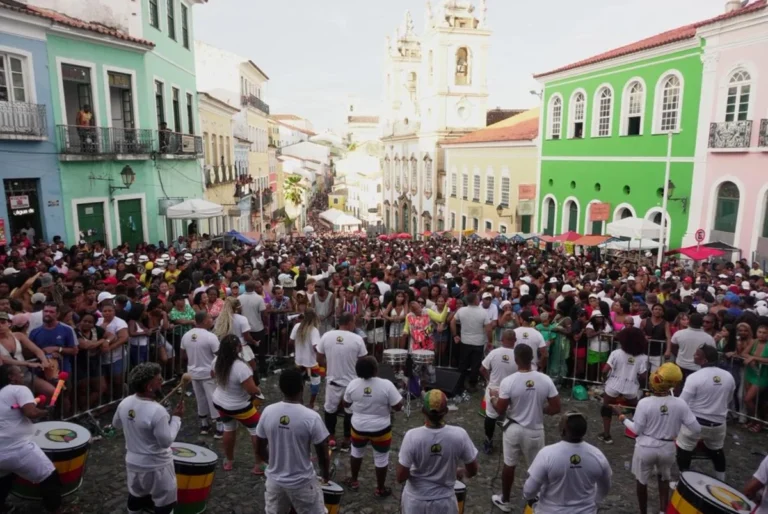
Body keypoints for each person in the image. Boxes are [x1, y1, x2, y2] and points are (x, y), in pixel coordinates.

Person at [617, 363, 701, 514]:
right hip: (668, 448)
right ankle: (663, 511)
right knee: (664, 478)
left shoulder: (644, 403)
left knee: (641, 481)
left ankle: (644, 512)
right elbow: (696, 428)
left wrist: (623, 418)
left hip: (645, 447)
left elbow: (636, 430)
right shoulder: (680, 404)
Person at [490, 343, 561, 512]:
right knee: (538, 468)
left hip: (513, 427)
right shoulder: (545, 379)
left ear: (516, 360)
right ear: (532, 359)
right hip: (535, 429)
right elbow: (556, 408)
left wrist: (493, 398)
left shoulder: (509, 381)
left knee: (509, 464)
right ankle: (538, 500)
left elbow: (500, 409)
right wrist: (540, 409)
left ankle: (505, 500)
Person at [255, 368, 330, 514]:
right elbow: (323, 453)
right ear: (302, 387)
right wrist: (325, 474)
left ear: (281, 388)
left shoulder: (268, 411)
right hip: (302, 483)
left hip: (275, 482)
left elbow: (259, 448)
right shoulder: (311, 417)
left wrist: (276, 463)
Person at [113, 363, 183, 514]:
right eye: (159, 380)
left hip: (133, 463)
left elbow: (116, 424)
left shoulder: (125, 402)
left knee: (136, 497)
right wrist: (176, 419)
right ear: (149, 387)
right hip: (157, 466)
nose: (162, 381)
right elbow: (166, 442)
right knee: (165, 503)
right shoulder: (158, 411)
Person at [396, 389, 479, 514]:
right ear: (446, 411)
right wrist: (459, 471)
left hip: (415, 502)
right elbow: (472, 470)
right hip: (445, 503)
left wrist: (419, 471)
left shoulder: (412, 436)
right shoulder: (459, 435)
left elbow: (400, 477)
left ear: (423, 411)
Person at [0, 365, 63, 514]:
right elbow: (31, 412)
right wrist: (45, 411)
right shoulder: (19, 389)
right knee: (50, 476)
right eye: (19, 373)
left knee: (4, 478)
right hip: (17, 448)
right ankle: (54, 509)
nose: (22, 375)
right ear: (11, 377)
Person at [523, 412, 612, 514]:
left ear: (563, 431)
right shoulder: (597, 455)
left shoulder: (547, 454)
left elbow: (529, 491)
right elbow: (605, 487)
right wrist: (594, 502)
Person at [342, 356, 402, 497]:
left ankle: (354, 481)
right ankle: (380, 489)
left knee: (356, 453)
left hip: (358, 427)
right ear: (375, 370)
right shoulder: (386, 385)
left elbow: (345, 403)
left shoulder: (353, 384)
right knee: (381, 458)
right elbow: (398, 406)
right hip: (381, 429)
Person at [676, 345, 736, 481]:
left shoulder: (694, 377)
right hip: (719, 423)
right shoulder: (728, 376)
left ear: (704, 360)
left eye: (696, 355)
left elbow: (682, 402)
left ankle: (683, 481)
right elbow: (729, 399)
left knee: (684, 449)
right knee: (717, 451)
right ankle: (721, 480)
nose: (693, 356)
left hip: (695, 422)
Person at [211, 335, 264, 474]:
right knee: (256, 431)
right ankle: (259, 464)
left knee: (228, 428)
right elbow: (251, 390)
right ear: (237, 348)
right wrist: (259, 391)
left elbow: (212, 375)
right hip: (239, 406)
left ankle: (229, 461)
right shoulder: (240, 367)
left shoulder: (216, 360)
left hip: (220, 402)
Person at [316, 312, 367, 451]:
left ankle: (331, 438)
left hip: (333, 381)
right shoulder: (357, 339)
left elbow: (319, 358)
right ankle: (347, 439)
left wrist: (328, 367)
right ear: (350, 322)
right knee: (349, 412)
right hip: (352, 382)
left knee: (330, 410)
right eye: (354, 322)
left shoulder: (326, 336)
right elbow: (363, 361)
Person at [598, 328, 649, 444]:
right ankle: (637, 431)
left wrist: (603, 379)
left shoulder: (615, 353)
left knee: (606, 408)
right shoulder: (642, 357)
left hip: (613, 386)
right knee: (636, 410)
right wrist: (640, 387)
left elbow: (605, 370)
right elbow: (643, 376)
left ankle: (606, 435)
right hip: (631, 387)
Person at [180, 311, 220, 437]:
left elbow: (183, 354)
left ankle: (204, 425)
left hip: (193, 373)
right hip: (209, 373)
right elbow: (218, 355)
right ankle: (219, 427)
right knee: (213, 398)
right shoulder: (210, 336)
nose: (212, 320)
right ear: (204, 321)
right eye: (210, 318)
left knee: (200, 398)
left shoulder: (186, 335)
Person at [479, 328, 518, 455]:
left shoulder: (494, 353)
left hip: (494, 389)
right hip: (512, 389)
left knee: (490, 416)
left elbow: (482, 369)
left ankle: (489, 441)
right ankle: (512, 441)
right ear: (515, 341)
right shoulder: (518, 355)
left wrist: (489, 379)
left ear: (502, 340)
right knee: (513, 416)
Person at [451, 293, 490, 393]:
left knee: (463, 364)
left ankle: (459, 384)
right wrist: (490, 340)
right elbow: (488, 329)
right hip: (478, 342)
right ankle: (472, 385)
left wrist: (455, 335)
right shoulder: (483, 313)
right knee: (475, 365)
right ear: (476, 301)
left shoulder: (461, 310)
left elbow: (452, 322)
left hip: (465, 341)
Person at [670, 313, 716, 385]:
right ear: (702, 323)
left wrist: (680, 355)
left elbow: (673, 347)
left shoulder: (678, 334)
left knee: (679, 388)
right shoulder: (709, 338)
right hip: (698, 368)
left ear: (689, 322)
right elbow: (712, 354)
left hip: (681, 365)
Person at [289, 309, 321, 409]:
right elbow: (316, 347)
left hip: (299, 361)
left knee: (300, 382)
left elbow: (290, 342)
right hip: (312, 362)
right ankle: (311, 403)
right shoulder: (314, 330)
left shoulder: (297, 326)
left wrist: (297, 349)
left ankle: (300, 401)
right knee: (316, 383)